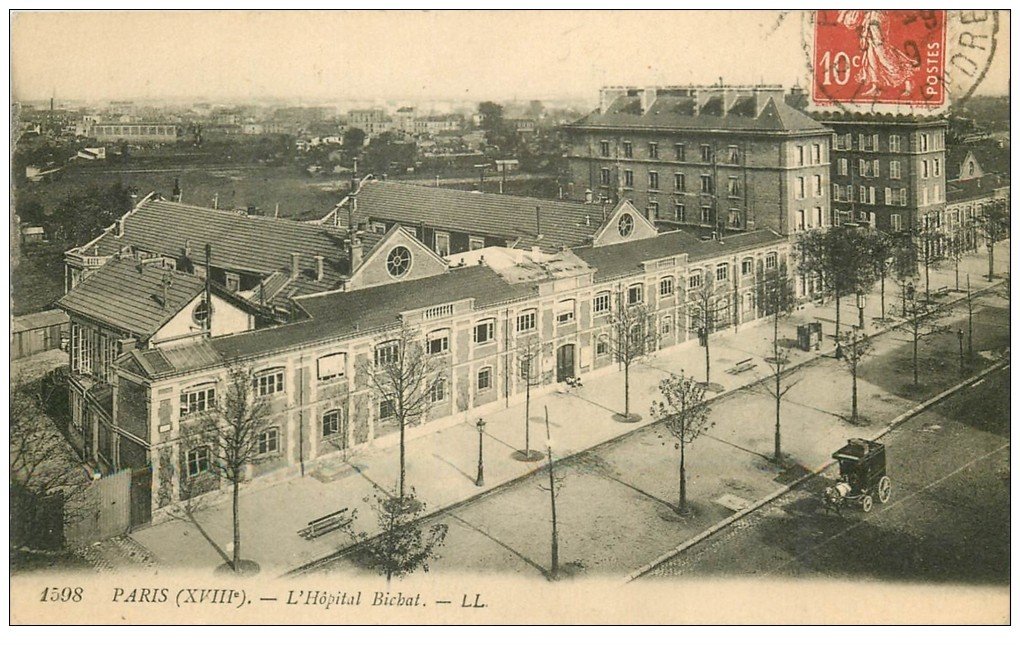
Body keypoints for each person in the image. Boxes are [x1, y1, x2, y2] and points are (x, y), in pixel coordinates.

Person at [838, 10, 916, 97]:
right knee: (871, 55)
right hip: (871, 17)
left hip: (876, 17)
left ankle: (908, 81)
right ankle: (875, 87)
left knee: (883, 54)